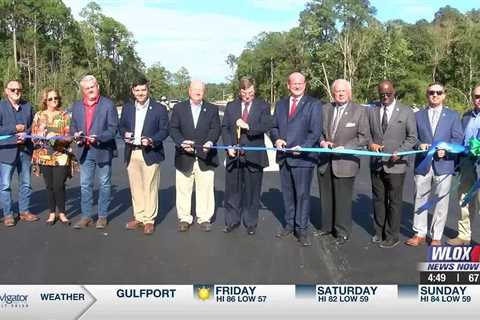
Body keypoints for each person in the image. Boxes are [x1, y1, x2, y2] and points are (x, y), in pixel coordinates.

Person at [405, 83, 463, 246]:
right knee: (419, 197)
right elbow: (412, 137)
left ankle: (436, 235)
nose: (435, 95)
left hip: (445, 164)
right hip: (423, 163)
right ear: (427, 95)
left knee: (441, 202)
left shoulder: (453, 116)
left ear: (444, 95)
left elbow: (458, 139)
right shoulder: (418, 116)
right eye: (431, 92)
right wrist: (419, 145)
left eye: (439, 92)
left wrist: (447, 150)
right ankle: (419, 232)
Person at [270, 72, 322, 246]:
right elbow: (274, 126)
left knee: (302, 195)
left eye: (300, 83)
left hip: (303, 158)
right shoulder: (281, 104)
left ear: (305, 85)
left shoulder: (314, 104)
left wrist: (304, 146)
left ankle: (302, 229)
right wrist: (276, 139)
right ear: (288, 85)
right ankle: (289, 224)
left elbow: (315, 131)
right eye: (294, 83)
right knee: (287, 194)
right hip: (284, 157)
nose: (297, 86)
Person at [316, 79, 369, 245]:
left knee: (343, 199)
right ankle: (326, 227)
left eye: (343, 91)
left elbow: (364, 137)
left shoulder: (359, 111)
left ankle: (342, 231)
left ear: (349, 93)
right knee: (326, 197)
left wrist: (345, 147)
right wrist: (322, 142)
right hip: (325, 161)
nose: (340, 94)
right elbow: (318, 131)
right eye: (337, 91)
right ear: (333, 93)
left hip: (345, 162)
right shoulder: (325, 109)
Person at [367, 80, 417, 248]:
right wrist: (370, 144)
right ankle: (379, 231)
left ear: (394, 92)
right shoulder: (372, 109)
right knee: (378, 199)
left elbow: (412, 137)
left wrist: (400, 151)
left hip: (397, 164)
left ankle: (392, 235)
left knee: (394, 201)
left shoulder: (406, 111)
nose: (385, 97)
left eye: (388, 94)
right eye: (382, 94)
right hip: (376, 163)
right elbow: (366, 133)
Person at [221, 76, 272, 235]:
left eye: (250, 92)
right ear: (240, 91)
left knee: (252, 191)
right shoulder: (231, 106)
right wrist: (228, 145)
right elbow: (225, 128)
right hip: (233, 155)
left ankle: (250, 222)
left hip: (254, 157)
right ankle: (232, 221)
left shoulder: (263, 106)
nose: (247, 95)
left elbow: (266, 125)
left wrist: (248, 126)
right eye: (244, 92)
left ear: (254, 90)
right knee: (232, 191)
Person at [169, 80, 221, 232]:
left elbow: (215, 128)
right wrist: (181, 142)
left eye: (201, 90)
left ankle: (204, 218)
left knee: (205, 188)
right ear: (189, 91)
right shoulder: (179, 108)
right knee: (183, 189)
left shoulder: (212, 109)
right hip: (184, 155)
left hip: (206, 156)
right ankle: (184, 218)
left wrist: (210, 142)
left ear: (204, 92)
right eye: (195, 89)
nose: (198, 92)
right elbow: (173, 129)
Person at [119, 78, 169, 235]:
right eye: (137, 90)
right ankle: (139, 217)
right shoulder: (127, 108)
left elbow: (164, 130)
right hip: (132, 152)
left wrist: (152, 139)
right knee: (136, 187)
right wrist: (125, 134)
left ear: (148, 90)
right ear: (133, 91)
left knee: (150, 187)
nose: (140, 93)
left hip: (150, 152)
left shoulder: (160, 109)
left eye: (143, 90)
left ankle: (149, 220)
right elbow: (121, 127)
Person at [71, 75, 118, 229]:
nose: (90, 90)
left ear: (97, 86)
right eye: (87, 88)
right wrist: (76, 135)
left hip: (102, 149)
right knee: (85, 185)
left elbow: (112, 129)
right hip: (85, 150)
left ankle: (102, 216)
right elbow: (73, 126)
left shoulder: (108, 105)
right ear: (83, 90)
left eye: (92, 86)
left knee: (104, 184)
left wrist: (99, 138)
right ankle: (86, 217)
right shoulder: (77, 106)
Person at [31, 88, 74, 225]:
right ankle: (51, 213)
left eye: (55, 98)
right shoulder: (38, 115)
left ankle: (62, 213)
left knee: (59, 185)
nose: (54, 100)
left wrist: (55, 138)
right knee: (49, 186)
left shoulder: (64, 115)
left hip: (61, 155)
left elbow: (69, 137)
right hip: (44, 155)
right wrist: (40, 134)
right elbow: (33, 137)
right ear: (45, 101)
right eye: (50, 99)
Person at [0, 80, 38, 226]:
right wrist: (14, 128)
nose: (16, 92)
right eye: (13, 89)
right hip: (6, 151)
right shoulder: (1, 106)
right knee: (4, 185)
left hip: (25, 151)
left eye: (19, 90)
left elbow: (34, 126)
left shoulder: (28, 106)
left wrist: (27, 133)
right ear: (6, 91)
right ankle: (8, 214)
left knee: (26, 183)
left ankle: (24, 211)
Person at [447, 85, 480, 246]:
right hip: (467, 163)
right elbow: (459, 139)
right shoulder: (466, 116)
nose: (479, 99)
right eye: (476, 96)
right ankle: (464, 235)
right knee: (465, 200)